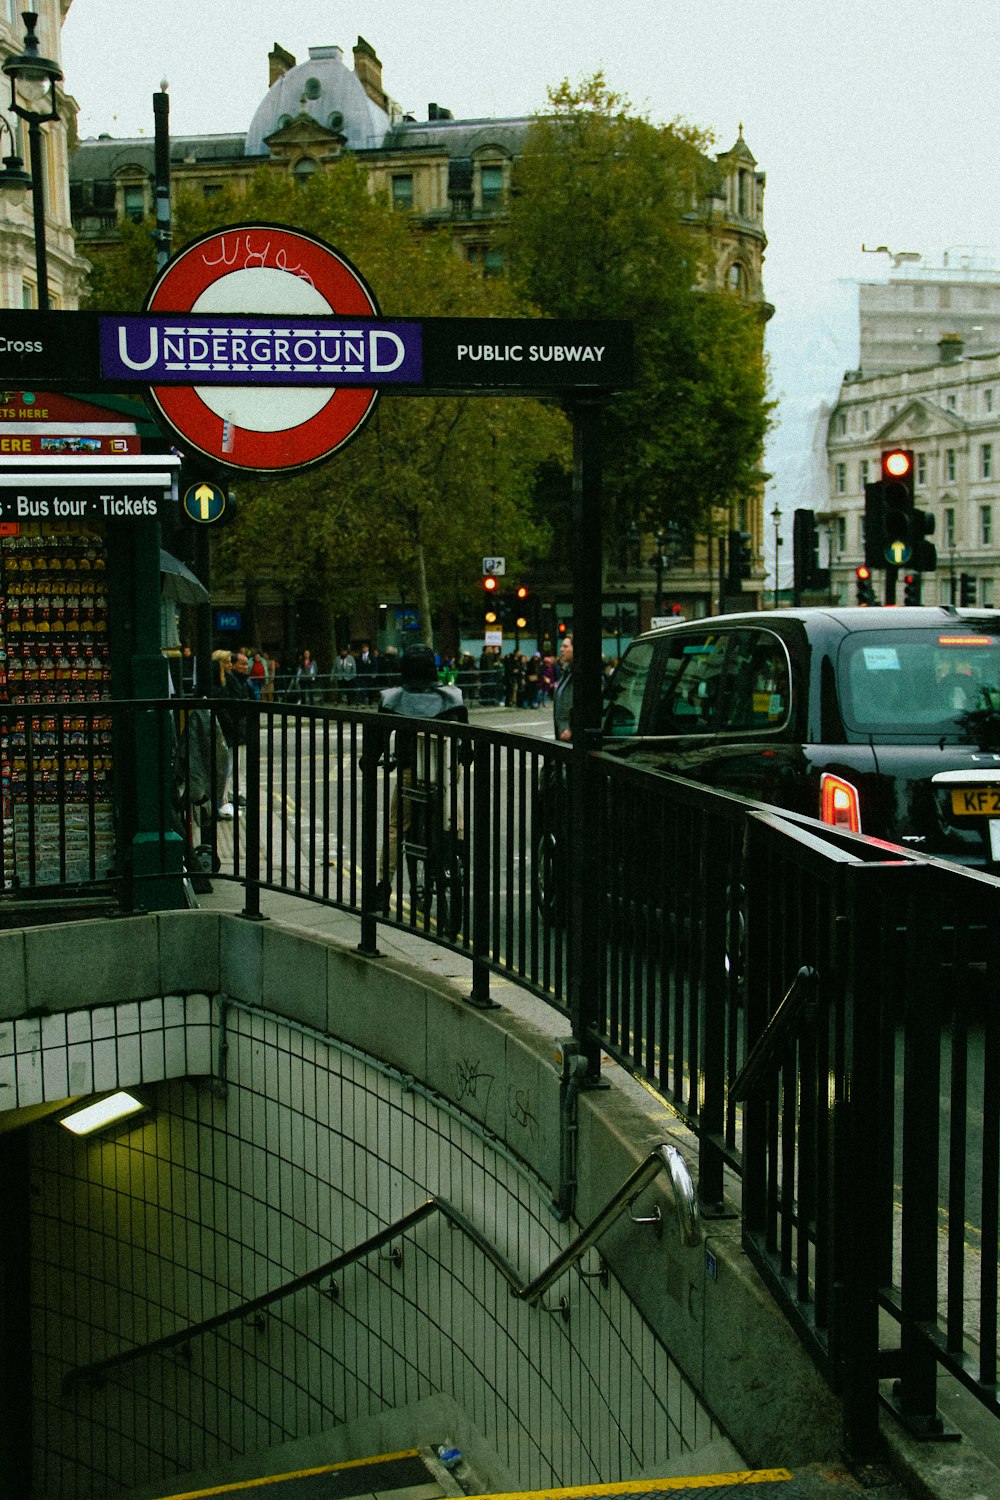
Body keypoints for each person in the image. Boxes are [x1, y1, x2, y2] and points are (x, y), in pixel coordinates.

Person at [372, 642, 469, 907]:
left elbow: (378, 740)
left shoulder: (393, 698)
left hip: (410, 774)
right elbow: (466, 741)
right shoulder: (452, 697)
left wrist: (368, 761)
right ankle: (457, 853)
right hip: (447, 772)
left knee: (396, 827)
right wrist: (463, 759)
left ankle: (384, 885)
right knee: (452, 808)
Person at [553, 634, 574, 741]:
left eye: (566, 646)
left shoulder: (581, 674)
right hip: (563, 733)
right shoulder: (566, 672)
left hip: (572, 735)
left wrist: (571, 728)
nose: (561, 649)